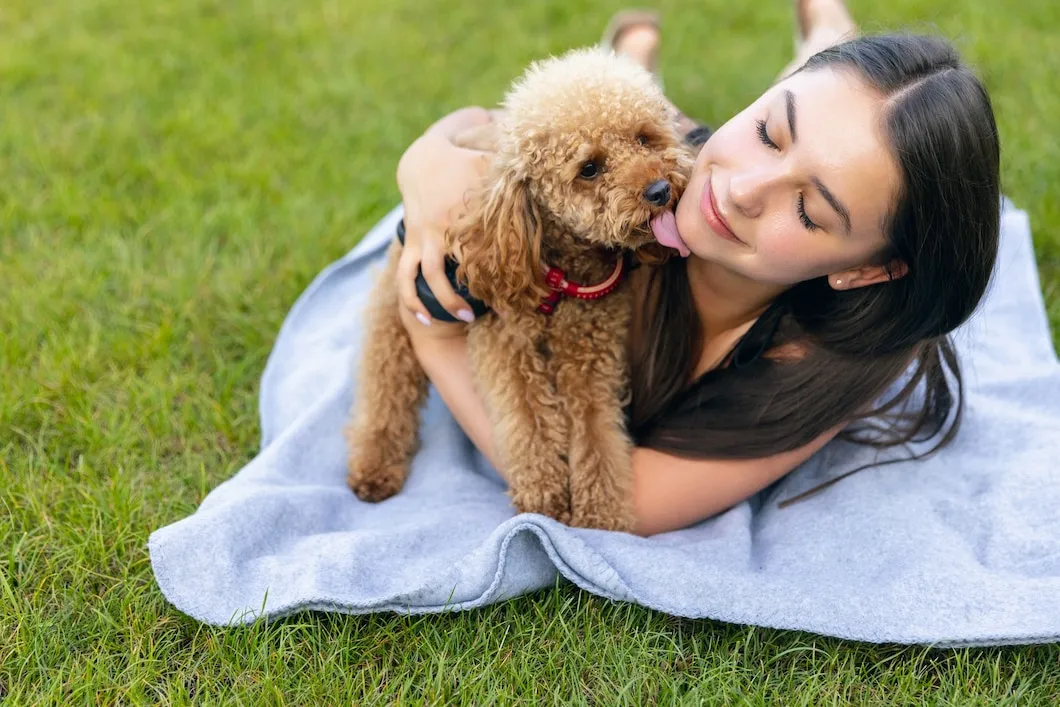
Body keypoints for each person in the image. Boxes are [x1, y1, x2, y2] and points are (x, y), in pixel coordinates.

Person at [389, 0, 1001, 536]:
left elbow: (630, 504)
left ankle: (823, 24)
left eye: (810, 210)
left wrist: (433, 333)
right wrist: (424, 163)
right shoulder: (678, 168)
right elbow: (473, 129)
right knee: (738, 111)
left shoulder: (821, 366)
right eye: (768, 130)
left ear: (865, 271)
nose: (741, 190)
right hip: (681, 140)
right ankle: (643, 52)